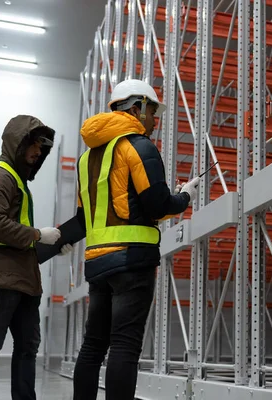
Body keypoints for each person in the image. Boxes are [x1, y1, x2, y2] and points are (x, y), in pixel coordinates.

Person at [72, 79, 199, 400]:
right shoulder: (138, 146)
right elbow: (157, 205)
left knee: (92, 346)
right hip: (132, 262)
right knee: (125, 345)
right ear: (137, 107)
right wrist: (185, 197)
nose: (155, 121)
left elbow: (82, 217)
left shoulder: (87, 159)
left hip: (97, 263)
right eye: (153, 112)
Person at [0, 115, 73, 400]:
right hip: (2, 277)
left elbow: (17, 238)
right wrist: (38, 235)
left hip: (23, 278)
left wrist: (51, 248)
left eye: (42, 146)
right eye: (34, 144)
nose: (38, 151)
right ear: (18, 143)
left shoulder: (17, 182)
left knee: (27, 348)